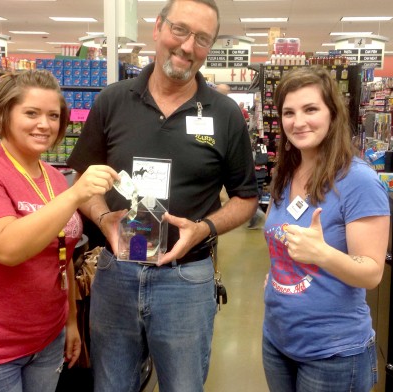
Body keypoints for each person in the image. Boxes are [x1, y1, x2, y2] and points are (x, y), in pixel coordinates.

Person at [66, 0, 258, 390]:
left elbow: (246, 198)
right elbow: (83, 180)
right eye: (181, 30)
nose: (188, 47)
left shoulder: (224, 114)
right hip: (115, 274)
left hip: (186, 280)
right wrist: (104, 219)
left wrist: (204, 228)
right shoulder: (112, 100)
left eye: (202, 39)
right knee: (111, 385)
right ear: (157, 28)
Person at [0, 70, 119, 392]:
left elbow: (61, 258)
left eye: (53, 115)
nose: (44, 124)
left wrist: (69, 321)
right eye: (31, 113)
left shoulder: (53, 177)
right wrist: (75, 194)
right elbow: (8, 248)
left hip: (46, 341)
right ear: (5, 115)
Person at [262, 66, 390, 392]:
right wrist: (277, 272)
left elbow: (372, 272)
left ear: (333, 114)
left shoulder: (358, 180)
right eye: (288, 112)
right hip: (278, 339)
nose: (298, 121)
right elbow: (280, 239)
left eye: (310, 109)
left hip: (332, 352)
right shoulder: (286, 173)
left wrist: (321, 254)